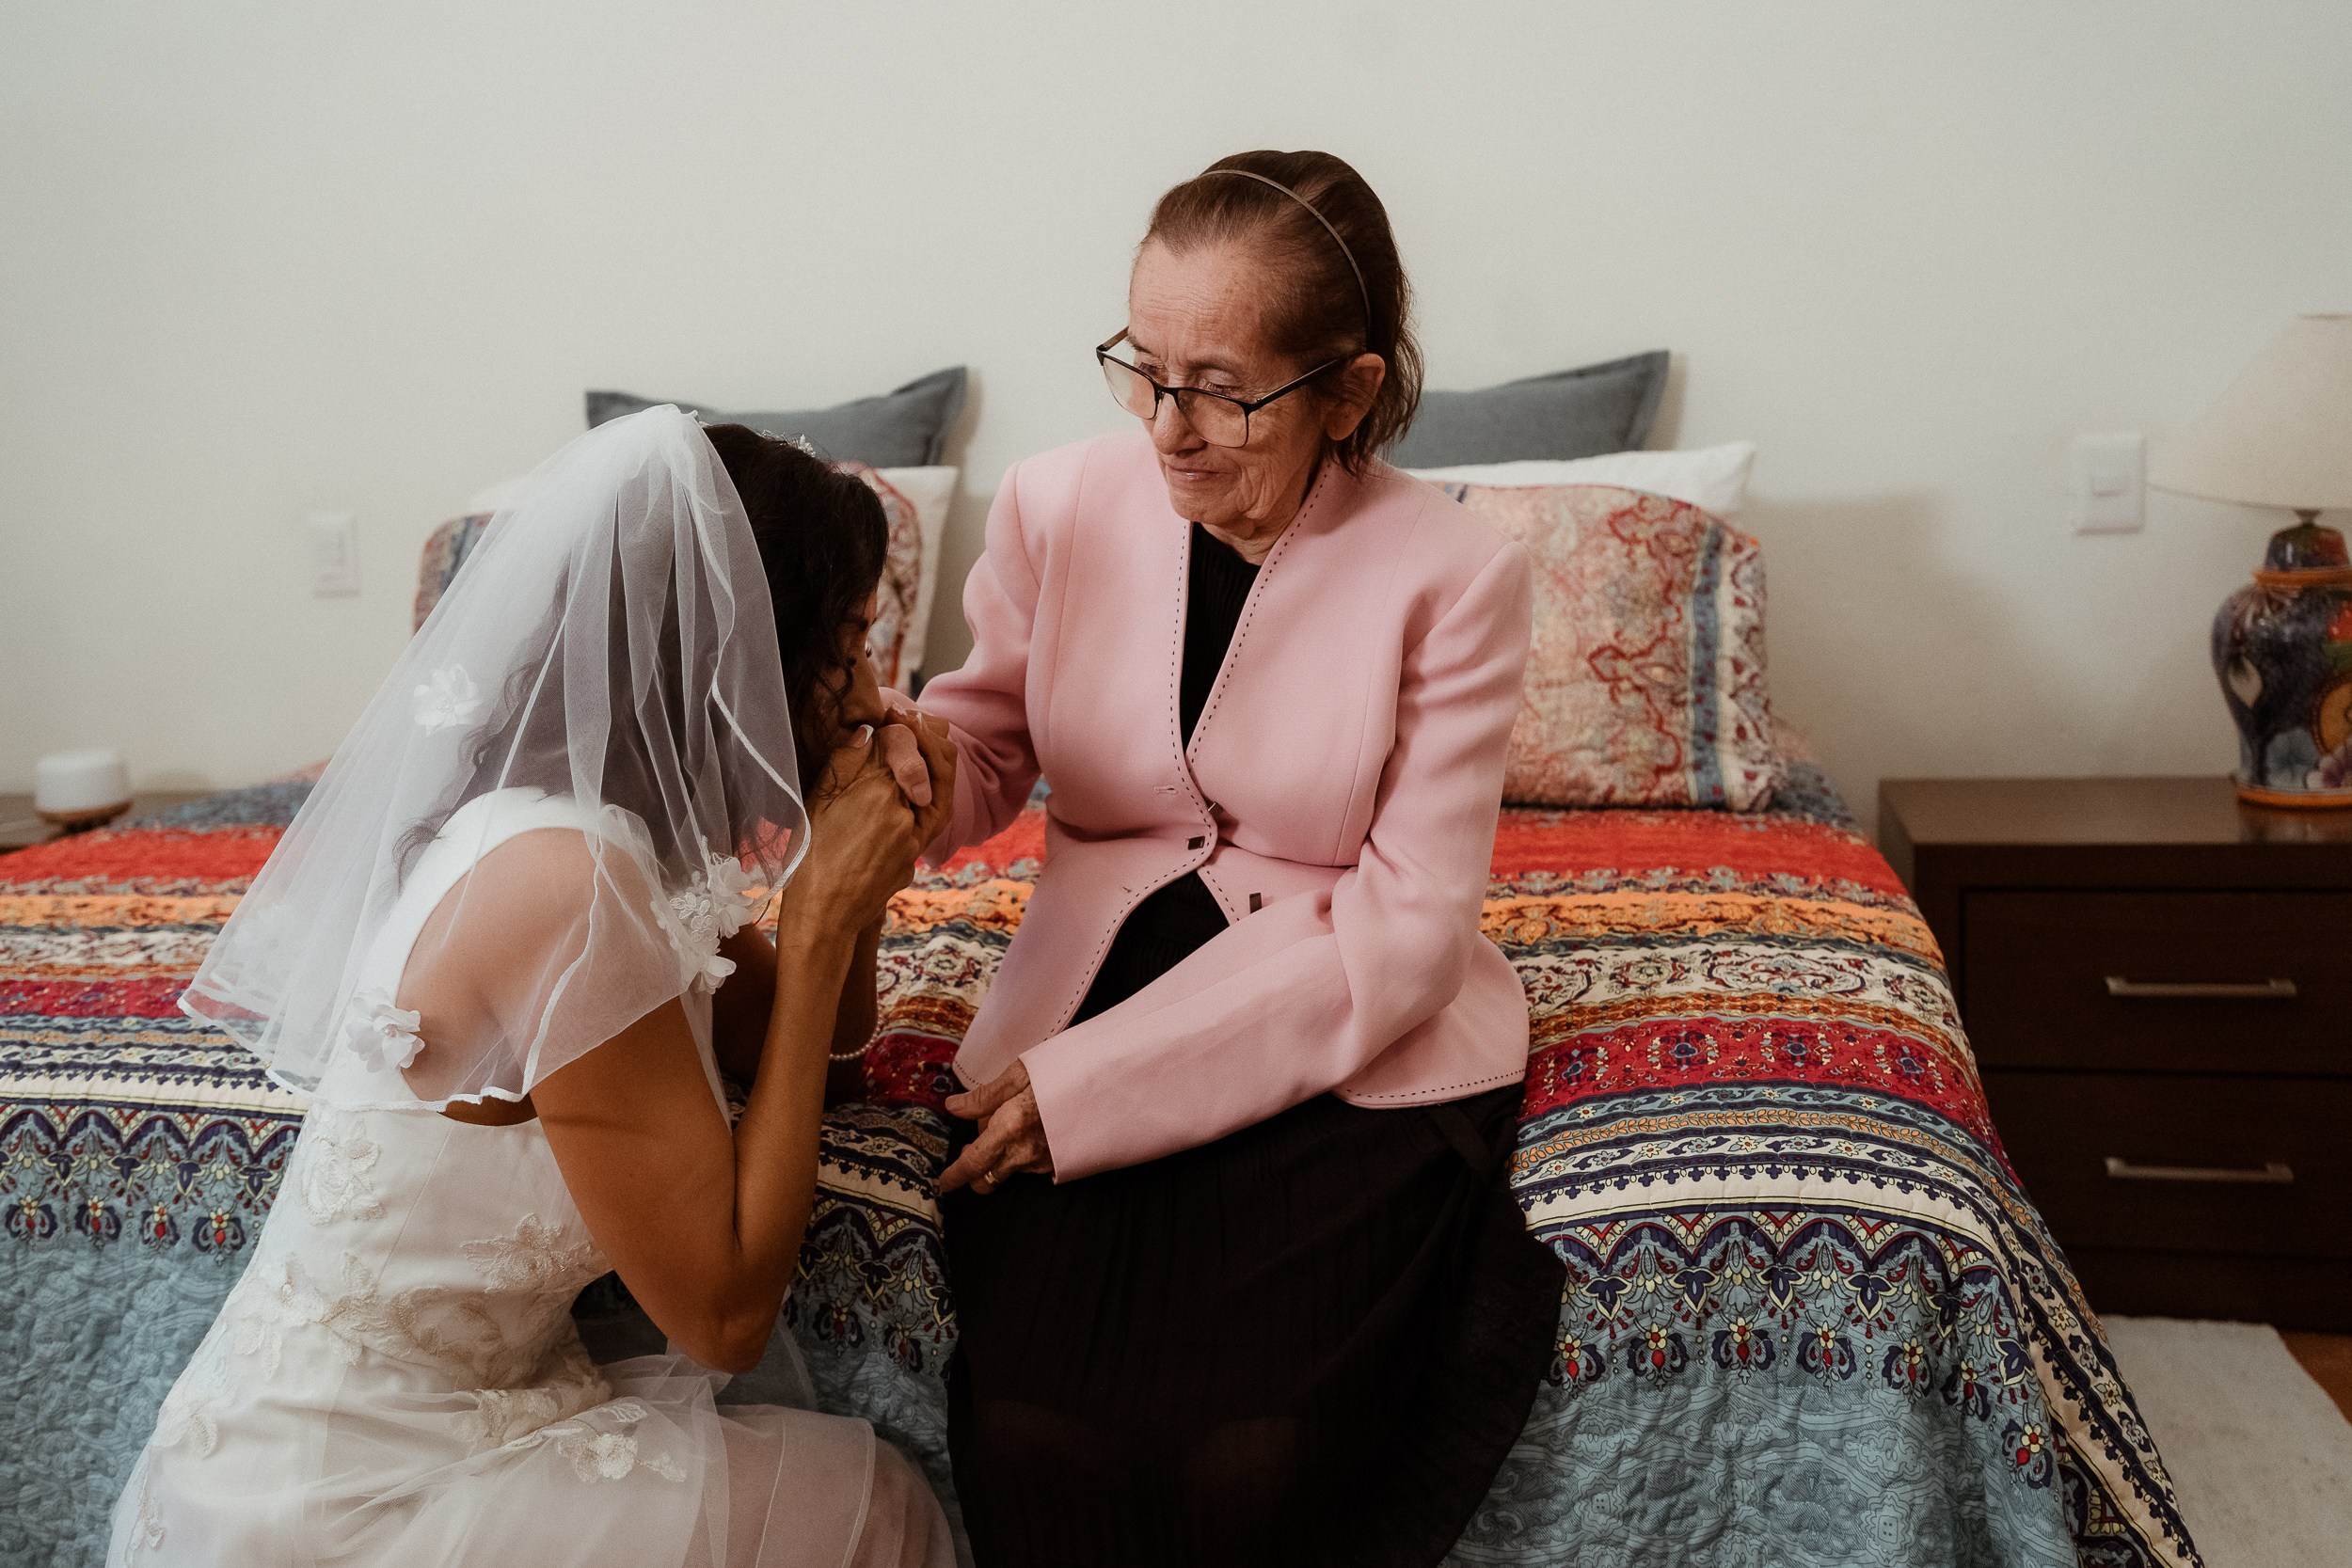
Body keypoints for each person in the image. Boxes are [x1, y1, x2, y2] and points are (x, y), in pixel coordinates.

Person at [110, 405, 959, 1568]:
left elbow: (819, 1052)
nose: (871, 694)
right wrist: (812, 923)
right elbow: (719, 1319)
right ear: (734, 657)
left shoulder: (622, 846)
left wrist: (849, 864)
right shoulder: (567, 886)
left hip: (467, 1412)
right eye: (846, 645)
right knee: (880, 1508)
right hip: (349, 1487)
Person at [912, 150, 1567, 1567]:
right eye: (1141, 367)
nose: (1167, 426)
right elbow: (976, 760)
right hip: (1077, 985)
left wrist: (1096, 1086)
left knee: (1255, 1459)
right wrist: (883, 771)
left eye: (1222, 384)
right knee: (1031, 1432)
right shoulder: (1050, 504)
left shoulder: (1455, 575)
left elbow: (1406, 932)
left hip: (1334, 1029)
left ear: (1345, 389)